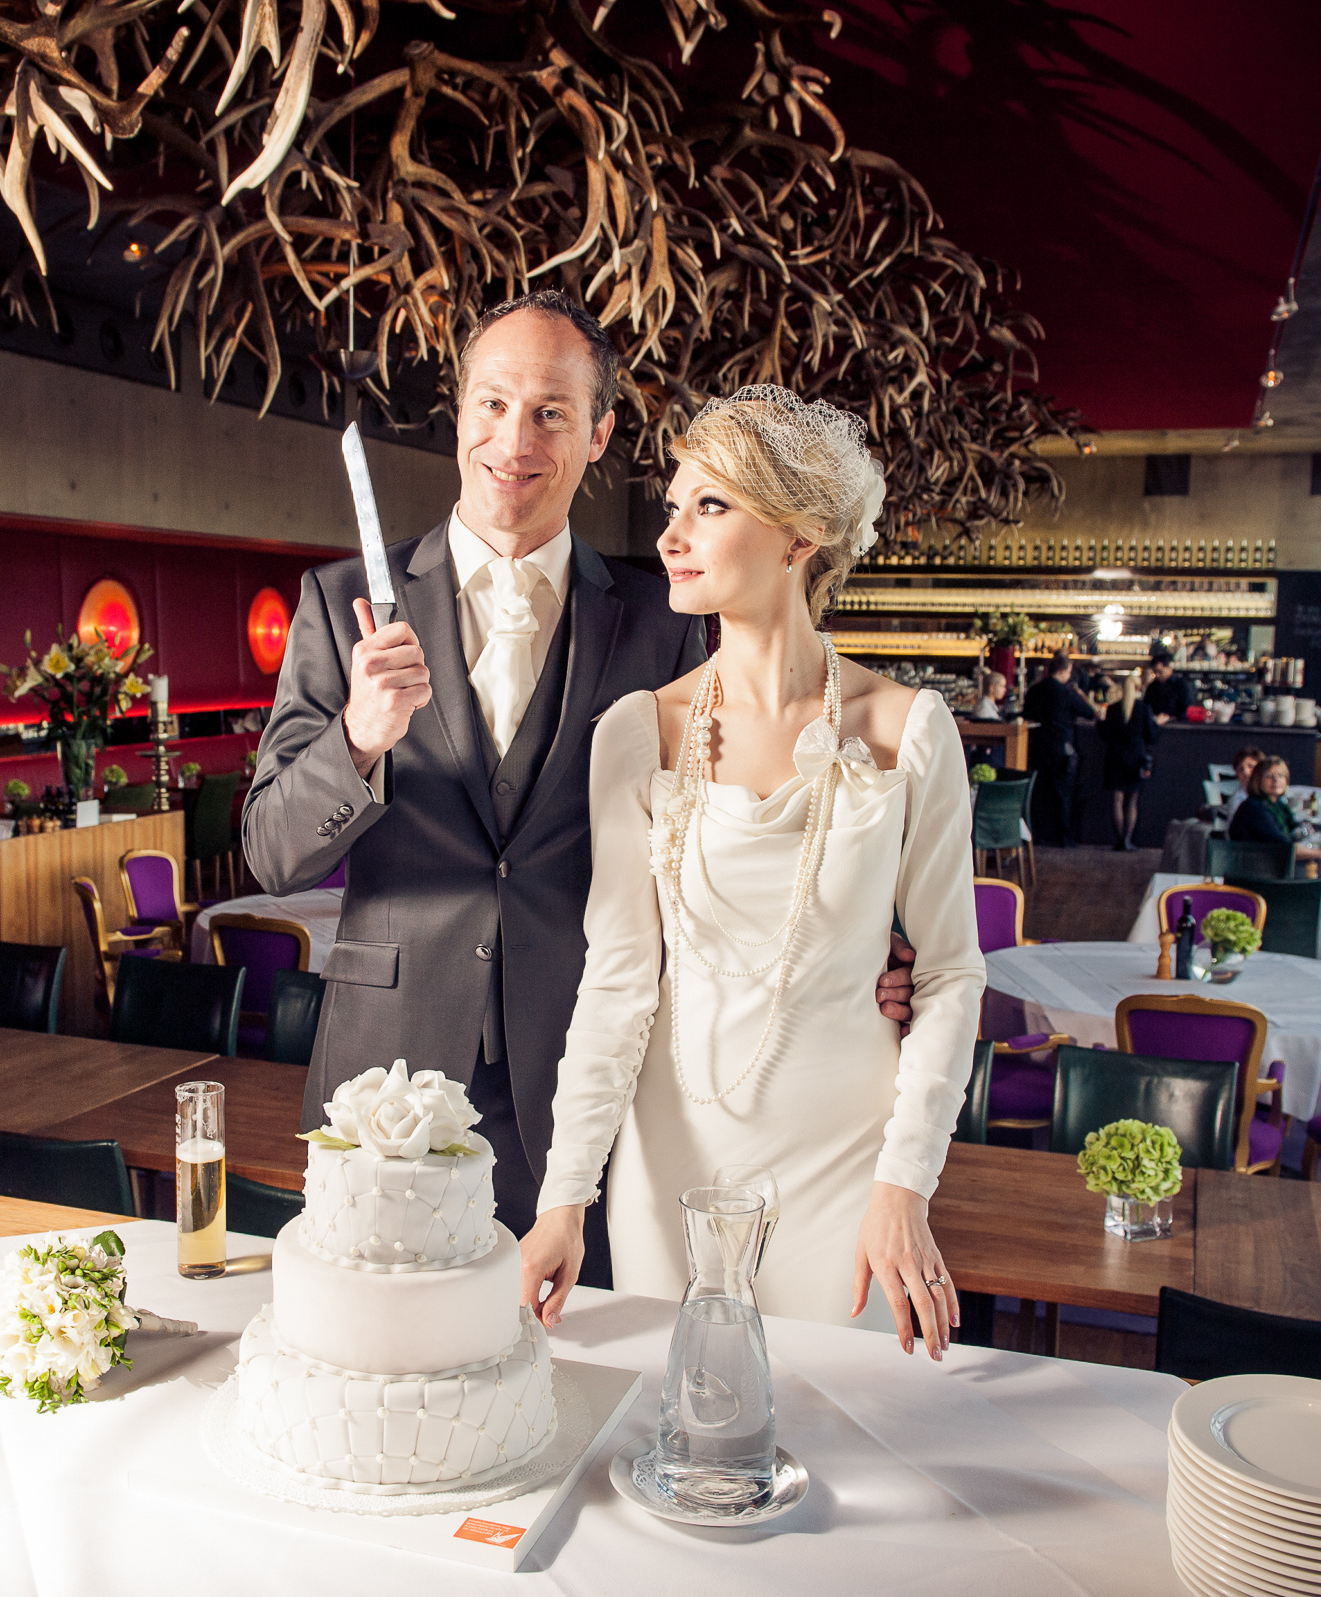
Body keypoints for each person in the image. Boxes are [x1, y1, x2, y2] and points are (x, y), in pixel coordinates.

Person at [242, 292, 917, 1275]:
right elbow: (270, 850)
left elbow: (744, 846)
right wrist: (357, 736)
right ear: (460, 414)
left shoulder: (667, 622)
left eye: (552, 412)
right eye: (492, 404)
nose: (514, 439)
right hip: (385, 1071)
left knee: (581, 1374)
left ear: (598, 432)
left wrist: (859, 950)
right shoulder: (338, 600)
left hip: (591, 1081)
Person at [519, 385, 983, 1357]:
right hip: (668, 1157)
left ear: (801, 535)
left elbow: (947, 975)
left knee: (840, 1432)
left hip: (848, 1159)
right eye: (674, 507)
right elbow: (616, 985)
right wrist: (568, 1193)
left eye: (711, 506)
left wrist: (908, 1181)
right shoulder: (635, 734)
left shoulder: (908, 732)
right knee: (675, 1422)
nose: (673, 535)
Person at [1021, 653, 1097, 848]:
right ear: (1064, 671)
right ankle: (1064, 837)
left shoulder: (1035, 690)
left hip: (1038, 747)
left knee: (1040, 793)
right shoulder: (1067, 693)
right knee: (1063, 794)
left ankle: (1038, 835)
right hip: (1062, 748)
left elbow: (1026, 714)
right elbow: (1090, 713)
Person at [1228, 755, 1321, 864]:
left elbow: (1294, 833)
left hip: (1272, 867)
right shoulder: (1254, 808)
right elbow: (1285, 848)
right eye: (1269, 776)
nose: (1276, 780)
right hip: (1254, 872)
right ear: (1258, 780)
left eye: (1281, 776)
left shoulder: (1278, 806)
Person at [1102, 671, 1157, 851]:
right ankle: (1128, 839)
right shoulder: (1143, 709)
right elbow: (1151, 736)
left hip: (1116, 757)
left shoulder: (1113, 708)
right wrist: (1158, 723)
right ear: (1138, 688)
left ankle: (1119, 840)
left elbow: (1106, 734)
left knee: (1116, 800)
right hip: (1136, 758)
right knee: (1132, 801)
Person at [1143, 652, 1191, 723]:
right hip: (1156, 723)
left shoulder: (1181, 685)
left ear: (1169, 668)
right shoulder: (1152, 686)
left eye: (1160, 672)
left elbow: (1186, 708)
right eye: (1155, 672)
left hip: (1177, 725)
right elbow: (1147, 706)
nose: (1157, 675)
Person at [1222, 744, 1265, 820]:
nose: (1246, 772)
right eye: (1241, 769)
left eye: (1251, 766)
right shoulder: (1237, 800)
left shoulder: (1272, 792)